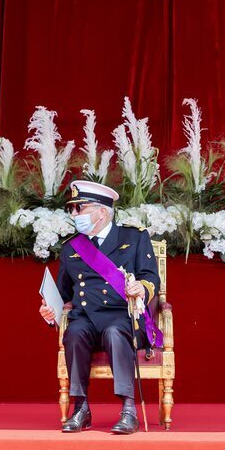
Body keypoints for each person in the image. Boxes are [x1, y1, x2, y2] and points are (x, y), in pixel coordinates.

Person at [39, 180, 160, 435]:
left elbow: (151, 278)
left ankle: (128, 409)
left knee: (115, 332)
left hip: (122, 318)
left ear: (102, 211)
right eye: (72, 209)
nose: (74, 215)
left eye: (79, 208)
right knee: (73, 333)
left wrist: (141, 287)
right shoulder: (72, 247)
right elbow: (61, 294)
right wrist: (50, 311)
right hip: (86, 317)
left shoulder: (134, 237)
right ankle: (81, 409)